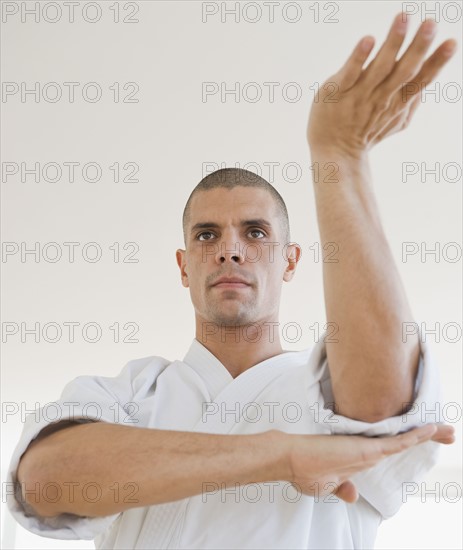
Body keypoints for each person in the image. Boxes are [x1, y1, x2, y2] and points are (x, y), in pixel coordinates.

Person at [6, 11, 457, 550]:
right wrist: (280, 454)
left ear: (290, 261)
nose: (230, 250)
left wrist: (340, 156)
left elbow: (382, 403)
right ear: (183, 266)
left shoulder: (330, 397)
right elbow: (45, 481)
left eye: (255, 231)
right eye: (206, 235)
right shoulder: (128, 395)